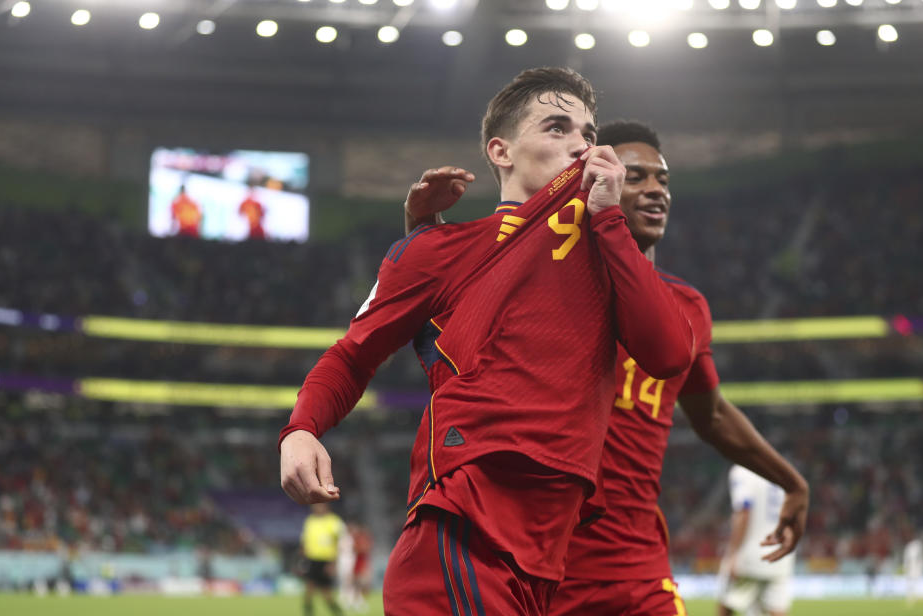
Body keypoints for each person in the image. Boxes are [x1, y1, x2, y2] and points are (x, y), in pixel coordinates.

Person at [279, 68, 695, 615]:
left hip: (543, 563)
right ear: (501, 151)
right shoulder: (434, 251)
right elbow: (352, 355)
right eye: (556, 127)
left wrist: (610, 221)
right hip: (460, 535)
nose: (581, 144)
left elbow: (668, 355)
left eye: (590, 134)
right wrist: (302, 428)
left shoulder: (606, 245)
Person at [405, 120, 809, 615]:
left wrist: (791, 480)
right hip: (538, 570)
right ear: (598, 182)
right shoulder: (542, 292)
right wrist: (422, 234)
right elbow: (443, 342)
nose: (656, 189)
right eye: (635, 176)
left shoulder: (686, 308)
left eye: (662, 179)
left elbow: (713, 415)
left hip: (638, 575)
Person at [718, 465, 798, 616]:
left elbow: (744, 510)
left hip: (750, 553)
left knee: (726, 604)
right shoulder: (782, 470)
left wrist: (733, 553)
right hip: (780, 553)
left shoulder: (743, 470)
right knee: (776, 610)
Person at [300, 503, 346, 616]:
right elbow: (305, 540)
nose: (317, 508)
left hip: (327, 560)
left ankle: (337, 611)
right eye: (315, 505)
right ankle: (308, 612)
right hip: (312, 560)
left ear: (326, 506)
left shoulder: (334, 521)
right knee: (309, 589)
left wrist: (333, 563)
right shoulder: (310, 521)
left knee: (326, 592)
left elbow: (341, 542)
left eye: (320, 505)